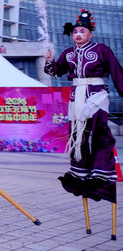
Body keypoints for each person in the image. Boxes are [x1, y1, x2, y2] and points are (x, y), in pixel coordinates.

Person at [45, 10, 123, 202]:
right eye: (75, 32)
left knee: (99, 132)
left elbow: (116, 70)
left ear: (90, 34)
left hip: (96, 94)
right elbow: (55, 71)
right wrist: (50, 60)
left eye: (82, 31)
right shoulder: (68, 53)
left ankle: (100, 172)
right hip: (76, 94)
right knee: (77, 133)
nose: (78, 34)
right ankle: (79, 171)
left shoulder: (102, 49)